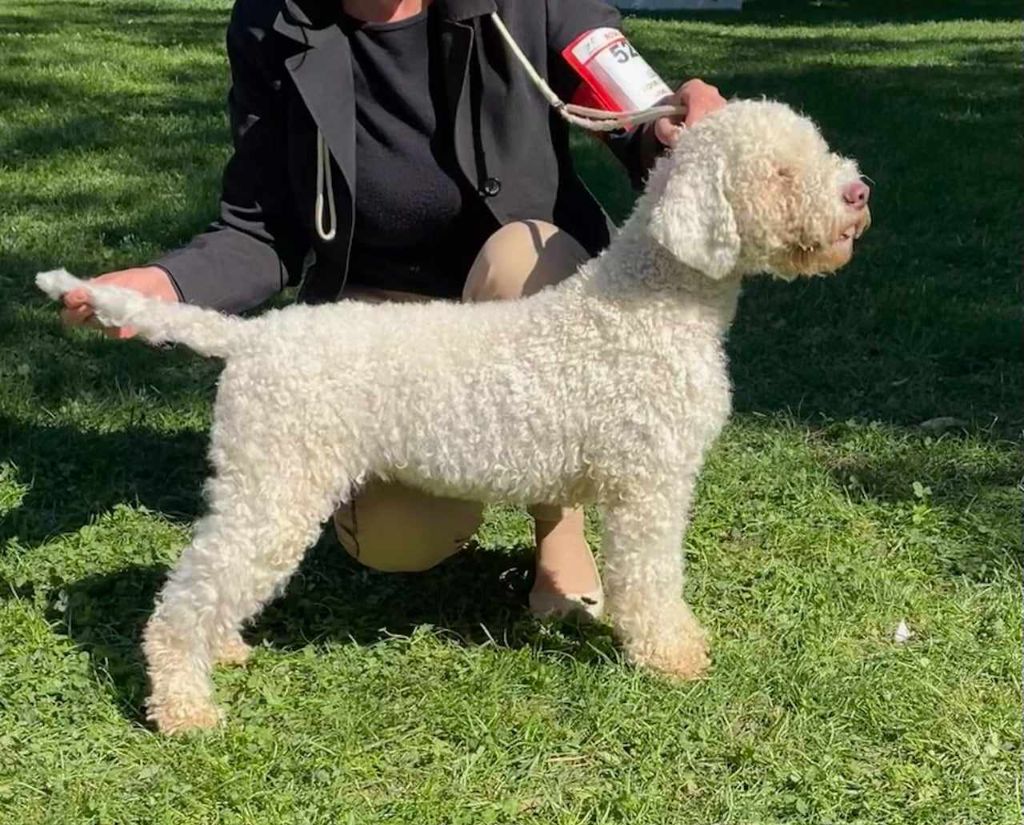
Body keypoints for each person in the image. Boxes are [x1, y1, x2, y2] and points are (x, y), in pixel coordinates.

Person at [61, 0, 726, 618]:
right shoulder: (273, 19)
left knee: (531, 263)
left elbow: (636, 117)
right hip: (382, 311)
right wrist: (168, 282)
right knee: (397, 539)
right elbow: (260, 223)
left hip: (513, 274)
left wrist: (675, 131)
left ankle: (559, 526)